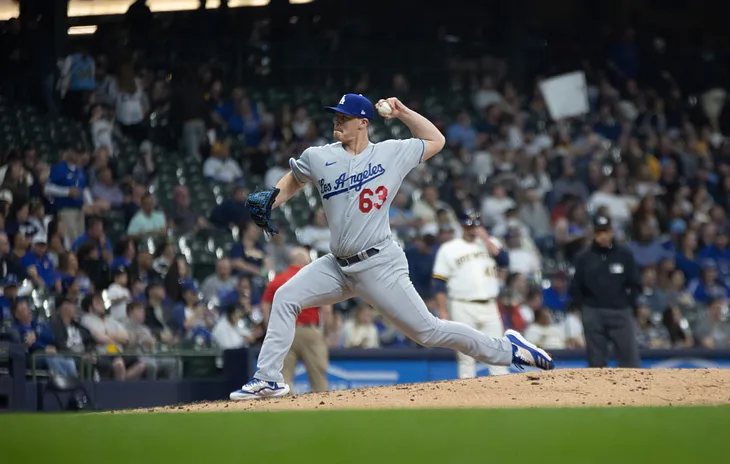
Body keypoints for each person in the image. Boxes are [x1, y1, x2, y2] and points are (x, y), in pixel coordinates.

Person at [230, 94, 553, 401]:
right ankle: (269, 377)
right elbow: (295, 178)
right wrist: (273, 197)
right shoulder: (319, 156)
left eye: (345, 117)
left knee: (427, 332)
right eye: (336, 116)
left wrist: (403, 113)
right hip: (337, 266)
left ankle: (508, 349)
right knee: (286, 296)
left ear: (364, 122)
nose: (337, 122)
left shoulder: (390, 153)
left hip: (379, 264)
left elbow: (436, 141)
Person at [432, 210, 510, 378]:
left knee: (498, 351)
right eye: (468, 226)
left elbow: (504, 261)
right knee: (466, 355)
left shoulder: (491, 243)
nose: (472, 229)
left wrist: (486, 239)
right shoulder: (449, 248)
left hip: (489, 305)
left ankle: (505, 395)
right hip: (462, 305)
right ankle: (465, 399)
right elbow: (439, 283)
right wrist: (443, 310)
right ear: (461, 226)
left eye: (475, 225)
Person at [569, 214, 641, 368]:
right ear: (593, 233)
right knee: (596, 363)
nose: (602, 236)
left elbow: (635, 283)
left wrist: (628, 304)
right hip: (593, 312)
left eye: (605, 232)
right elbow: (576, 286)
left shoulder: (624, 254)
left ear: (612, 232)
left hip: (620, 312)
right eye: (599, 232)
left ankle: (633, 391)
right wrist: (584, 308)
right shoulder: (584, 257)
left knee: (629, 360)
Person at [261, 247, 332, 393]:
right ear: (302, 260)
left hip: (285, 331)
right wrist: (326, 332)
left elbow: (265, 307)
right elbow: (326, 309)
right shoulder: (313, 279)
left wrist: (271, 330)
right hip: (309, 331)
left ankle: (285, 412)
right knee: (318, 378)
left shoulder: (277, 280)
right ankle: (324, 411)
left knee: (283, 378)